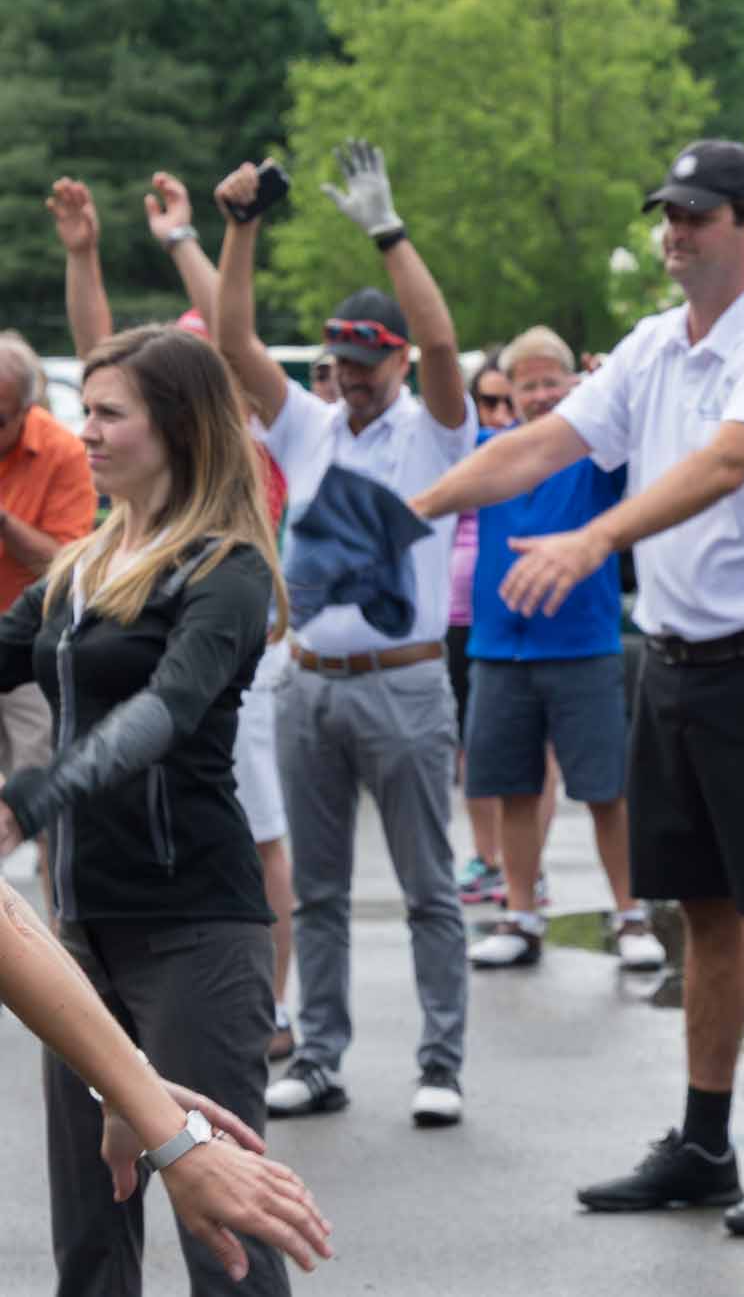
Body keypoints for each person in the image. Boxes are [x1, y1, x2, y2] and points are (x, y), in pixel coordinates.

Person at [409, 139, 744, 1234]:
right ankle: (705, 1143)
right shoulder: (656, 345)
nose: (675, 230)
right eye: (668, 210)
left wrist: (593, 537)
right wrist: (404, 514)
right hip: (675, 661)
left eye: (699, 214)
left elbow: (726, 461)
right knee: (701, 911)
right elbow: (537, 445)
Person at [0, 322, 333, 1295]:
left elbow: (165, 710)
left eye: (110, 413)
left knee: (222, 1234)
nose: (87, 432)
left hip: (195, 926)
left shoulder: (225, 568)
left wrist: (31, 798)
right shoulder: (79, 565)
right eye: (83, 410)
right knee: (90, 1232)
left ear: (177, 428)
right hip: (80, 930)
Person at [212, 142, 476, 1128]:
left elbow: (447, 350)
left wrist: (389, 233)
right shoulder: (312, 425)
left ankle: (440, 1060)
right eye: (342, 365)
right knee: (318, 892)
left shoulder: (434, 426)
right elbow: (236, 343)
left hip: (404, 681)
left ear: (394, 360)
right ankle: (318, 1053)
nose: (353, 380)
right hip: (311, 676)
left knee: (427, 889)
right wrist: (241, 230)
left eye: (369, 364)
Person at [47, 170, 305, 1062]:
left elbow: (227, 335)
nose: (91, 430)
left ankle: (272, 995)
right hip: (90, 903)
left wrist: (206, 236)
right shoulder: (98, 548)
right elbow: (102, 357)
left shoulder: (239, 511)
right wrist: (83, 255)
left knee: (263, 825)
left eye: (109, 415)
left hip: (231, 659)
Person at [0, 869, 333, 1283]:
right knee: (90, 1247)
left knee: (230, 1245)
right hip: (84, 917)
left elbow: (10, 918)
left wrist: (165, 1126)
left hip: (196, 910)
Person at [460, 324, 659, 972]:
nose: (542, 395)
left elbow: (643, 441)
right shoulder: (490, 449)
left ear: (573, 383)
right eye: (528, 384)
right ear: (508, 393)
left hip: (582, 644)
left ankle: (631, 913)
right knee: (514, 788)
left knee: (606, 789)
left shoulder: (596, 454)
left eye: (553, 380)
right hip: (499, 648)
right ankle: (520, 913)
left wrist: (612, 387)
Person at [0, 331, 97, 907]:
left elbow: (70, 563)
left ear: (26, 409)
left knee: (39, 801)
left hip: (29, 650)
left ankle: (64, 941)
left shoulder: (62, 451)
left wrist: (5, 524)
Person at [452, 355, 525, 907]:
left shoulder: (539, 452)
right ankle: (486, 856)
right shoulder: (460, 451)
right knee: (470, 745)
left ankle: (530, 863)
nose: (499, 413)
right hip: (454, 621)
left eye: (508, 401)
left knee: (528, 755)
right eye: (488, 402)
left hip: (515, 619)